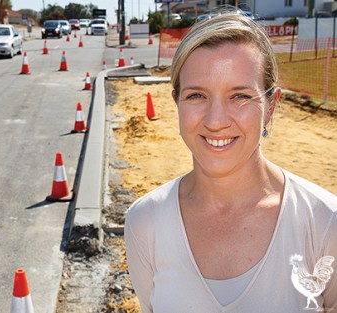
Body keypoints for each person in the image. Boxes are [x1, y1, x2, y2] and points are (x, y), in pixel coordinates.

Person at [124, 13, 337, 312]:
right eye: (197, 95)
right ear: (177, 103)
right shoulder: (144, 222)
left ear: (271, 106)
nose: (216, 121)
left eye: (240, 96)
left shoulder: (326, 224)